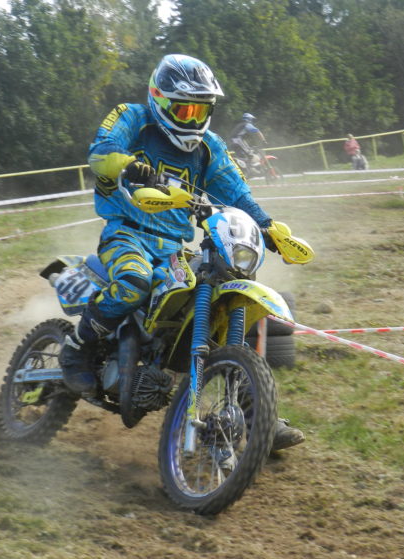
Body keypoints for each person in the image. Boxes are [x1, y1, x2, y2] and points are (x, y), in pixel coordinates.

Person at [59, 54, 305, 451]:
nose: (192, 120)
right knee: (134, 281)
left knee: (225, 290)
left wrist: (268, 226)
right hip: (127, 234)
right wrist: (129, 166)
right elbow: (101, 151)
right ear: (159, 99)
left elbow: (237, 192)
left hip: (174, 246)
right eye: (184, 110)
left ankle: (256, 414)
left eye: (201, 111)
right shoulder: (133, 118)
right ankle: (77, 349)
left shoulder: (210, 148)